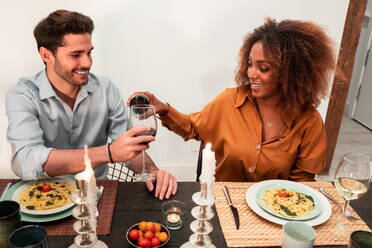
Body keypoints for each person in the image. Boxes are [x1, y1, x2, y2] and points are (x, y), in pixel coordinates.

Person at [130, 18, 336, 182]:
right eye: (250, 64)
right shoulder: (230, 101)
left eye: (263, 68)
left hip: (275, 211)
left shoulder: (309, 121)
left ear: (291, 73)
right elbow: (192, 127)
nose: (252, 73)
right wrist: (162, 108)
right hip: (223, 204)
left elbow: (302, 183)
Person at [6, 10, 177, 200]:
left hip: (96, 194)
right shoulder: (22, 95)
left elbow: (127, 145)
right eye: (76, 54)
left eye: (89, 52)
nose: (87, 62)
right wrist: (108, 153)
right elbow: (25, 160)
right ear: (46, 55)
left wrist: (152, 170)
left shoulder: (106, 89)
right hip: (42, 197)